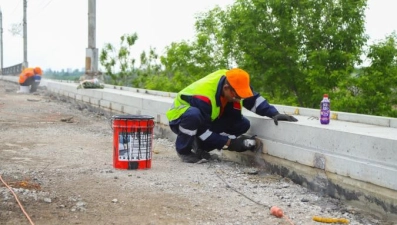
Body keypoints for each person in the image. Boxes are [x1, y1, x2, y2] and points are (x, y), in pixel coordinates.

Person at [166, 68, 298, 163]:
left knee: (242, 124)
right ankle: (184, 151)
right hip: (181, 118)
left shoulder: (236, 82)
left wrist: (274, 113)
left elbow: (253, 100)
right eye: (237, 96)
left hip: (206, 118)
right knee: (193, 116)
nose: (239, 99)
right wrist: (230, 143)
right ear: (226, 88)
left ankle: (200, 147)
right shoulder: (204, 97)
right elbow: (203, 131)